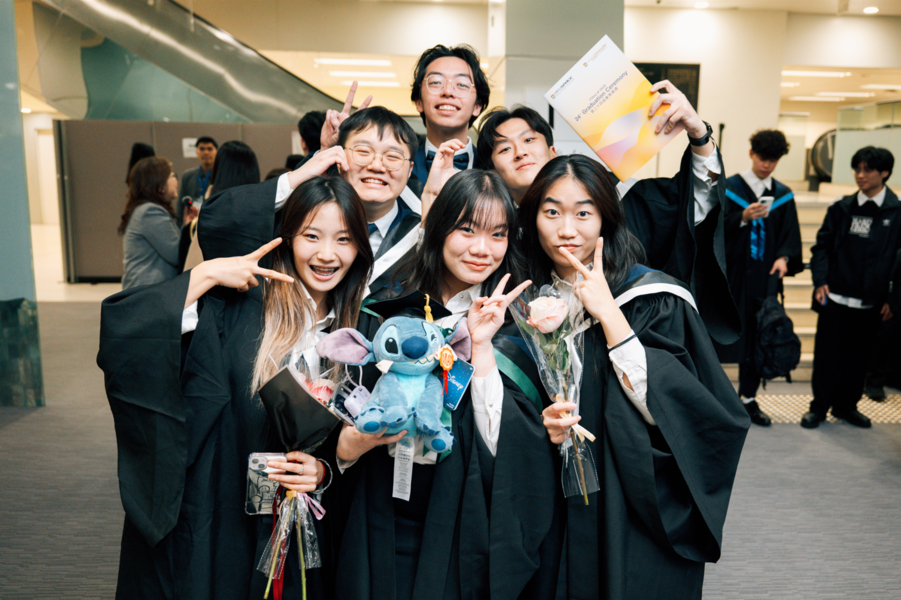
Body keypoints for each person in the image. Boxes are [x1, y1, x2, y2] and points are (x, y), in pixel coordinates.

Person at [98, 175, 374, 599]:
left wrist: (321, 471)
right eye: (311, 236)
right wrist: (204, 274)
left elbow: (360, 447)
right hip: (222, 512)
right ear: (287, 238)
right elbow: (130, 329)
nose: (326, 254)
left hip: (304, 533)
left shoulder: (362, 332)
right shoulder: (240, 307)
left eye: (344, 239)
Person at [521, 155, 749, 600]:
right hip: (546, 496)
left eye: (583, 213)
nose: (567, 229)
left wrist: (610, 316)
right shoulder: (519, 298)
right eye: (551, 212)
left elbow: (688, 413)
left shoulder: (652, 298)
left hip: (627, 497)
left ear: (607, 218)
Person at [329, 169, 562, 600]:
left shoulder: (518, 328)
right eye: (467, 229)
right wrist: (348, 445)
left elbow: (508, 446)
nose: (482, 249)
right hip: (376, 510)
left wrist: (482, 345)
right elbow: (343, 415)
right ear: (438, 229)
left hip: (461, 520)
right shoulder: (385, 308)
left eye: (497, 234)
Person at [468, 96, 741, 345]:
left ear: (553, 152)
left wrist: (699, 135)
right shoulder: (499, 236)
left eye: (529, 140)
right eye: (504, 149)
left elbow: (696, 204)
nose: (520, 152)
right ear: (492, 172)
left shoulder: (617, 197)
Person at [202, 106, 422, 297]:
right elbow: (217, 222)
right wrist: (303, 172)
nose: (376, 165)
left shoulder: (422, 238)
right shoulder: (300, 222)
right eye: (363, 151)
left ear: (410, 168)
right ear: (339, 156)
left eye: (393, 156)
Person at [803, 146, 900, 429]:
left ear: (884, 173)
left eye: (868, 170)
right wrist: (820, 280)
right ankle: (819, 407)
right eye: (857, 169)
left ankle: (846, 407)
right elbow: (821, 247)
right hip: (835, 296)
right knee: (827, 356)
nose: (860, 175)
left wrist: (893, 299)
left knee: (859, 358)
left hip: (871, 301)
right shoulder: (841, 207)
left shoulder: (896, 212)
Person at [722, 130, 803, 426]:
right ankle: (715, 397)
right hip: (731, 277)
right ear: (751, 154)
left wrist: (784, 257)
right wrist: (742, 217)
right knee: (723, 333)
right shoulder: (729, 188)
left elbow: (789, 235)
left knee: (759, 336)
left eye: (773, 160)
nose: (767, 165)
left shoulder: (782, 195)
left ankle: (748, 398)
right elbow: (712, 229)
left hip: (765, 277)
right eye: (762, 158)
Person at [406, 44, 489, 195]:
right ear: (419, 101)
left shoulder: (495, 169)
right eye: (436, 82)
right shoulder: (398, 167)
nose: (448, 91)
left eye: (462, 84)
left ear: (477, 106)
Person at [180, 140, 260, 270]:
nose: (206, 152)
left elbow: (194, 266)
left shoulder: (213, 207)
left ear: (220, 169)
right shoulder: (260, 207)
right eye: (202, 148)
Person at [119, 156, 183, 289]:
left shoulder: (145, 209)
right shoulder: (150, 212)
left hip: (147, 291)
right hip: (149, 293)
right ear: (159, 184)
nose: (176, 180)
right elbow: (177, 255)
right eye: (172, 175)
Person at [177, 136, 218, 226]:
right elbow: (181, 205)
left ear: (216, 152)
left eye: (209, 149)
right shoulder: (188, 176)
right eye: (202, 149)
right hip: (191, 223)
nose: (206, 152)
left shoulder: (220, 176)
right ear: (197, 152)